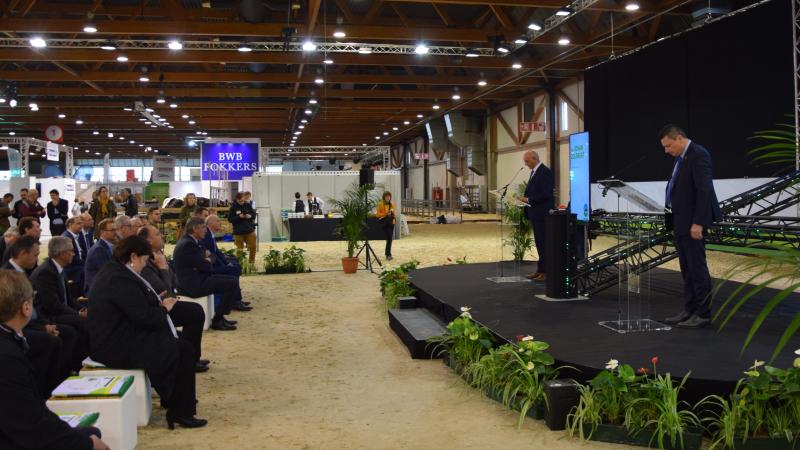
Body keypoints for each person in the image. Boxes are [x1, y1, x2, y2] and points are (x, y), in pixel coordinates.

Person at [87, 235, 207, 429]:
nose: (144, 265)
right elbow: (143, 316)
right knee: (181, 349)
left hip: (121, 333)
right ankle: (181, 411)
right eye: (143, 260)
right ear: (133, 256)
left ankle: (176, 401)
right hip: (113, 344)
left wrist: (155, 301)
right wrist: (164, 308)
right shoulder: (117, 278)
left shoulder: (116, 271)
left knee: (180, 344)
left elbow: (134, 307)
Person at [0, 270, 110, 450]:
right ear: (26, 307)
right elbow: (30, 426)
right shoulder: (8, 356)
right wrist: (87, 444)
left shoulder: (10, 345)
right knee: (92, 435)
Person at [659, 125, 721, 329]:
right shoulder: (681, 157)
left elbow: (704, 191)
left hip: (693, 223)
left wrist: (698, 222)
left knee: (697, 267)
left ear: (678, 138)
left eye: (668, 146)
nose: (666, 151)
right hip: (680, 220)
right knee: (686, 269)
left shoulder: (698, 154)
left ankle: (703, 314)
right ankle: (689, 309)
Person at [4, 236, 81, 395]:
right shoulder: (8, 275)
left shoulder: (22, 271)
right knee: (52, 341)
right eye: (34, 255)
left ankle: (61, 380)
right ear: (23, 254)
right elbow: (12, 314)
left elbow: (32, 309)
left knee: (63, 334)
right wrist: (43, 326)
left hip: (30, 321)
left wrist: (44, 324)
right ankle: (49, 389)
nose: (37, 258)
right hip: (15, 327)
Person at [139, 225, 210, 372]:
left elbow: (173, 282)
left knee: (195, 312)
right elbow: (164, 291)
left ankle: (192, 358)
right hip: (156, 308)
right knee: (194, 312)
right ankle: (190, 359)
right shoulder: (144, 262)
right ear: (149, 241)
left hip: (165, 302)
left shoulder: (157, 255)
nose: (162, 236)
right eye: (158, 234)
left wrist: (164, 268)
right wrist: (163, 269)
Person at [174, 217, 240, 330]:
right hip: (193, 285)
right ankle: (218, 320)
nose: (206, 230)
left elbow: (209, 259)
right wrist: (206, 260)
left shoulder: (192, 241)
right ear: (195, 229)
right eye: (203, 227)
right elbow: (206, 266)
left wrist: (206, 260)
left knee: (232, 280)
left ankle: (220, 317)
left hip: (199, 277)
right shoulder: (188, 244)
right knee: (231, 284)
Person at [517, 150, 555, 282]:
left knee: (544, 243)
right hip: (535, 214)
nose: (526, 164)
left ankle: (547, 271)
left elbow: (546, 194)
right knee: (539, 243)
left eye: (527, 161)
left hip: (543, 214)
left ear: (534, 159)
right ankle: (540, 270)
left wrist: (528, 199)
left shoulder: (545, 172)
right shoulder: (534, 172)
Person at [203, 216, 250, 311]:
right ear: (210, 223)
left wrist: (226, 262)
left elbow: (217, 252)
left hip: (214, 263)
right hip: (211, 267)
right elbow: (213, 255)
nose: (220, 223)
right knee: (234, 269)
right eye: (217, 221)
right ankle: (236, 300)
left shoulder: (210, 234)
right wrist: (225, 264)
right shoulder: (207, 235)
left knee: (234, 264)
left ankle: (236, 299)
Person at [84, 218, 116, 292]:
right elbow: (107, 272)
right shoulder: (99, 249)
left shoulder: (108, 246)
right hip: (96, 290)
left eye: (115, 229)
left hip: (103, 286)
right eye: (112, 230)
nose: (115, 232)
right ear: (102, 232)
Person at [229, 192, 257, 265]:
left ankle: (251, 263)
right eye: (239, 201)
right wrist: (239, 217)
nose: (241, 202)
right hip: (238, 232)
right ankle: (240, 264)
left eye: (242, 200)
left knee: (253, 247)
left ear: (244, 199)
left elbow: (254, 215)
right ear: (236, 199)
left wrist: (250, 216)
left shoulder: (248, 205)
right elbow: (230, 219)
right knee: (239, 250)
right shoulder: (233, 207)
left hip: (249, 230)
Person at [61, 216, 87, 293]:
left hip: (78, 267)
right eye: (78, 223)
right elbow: (71, 259)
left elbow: (82, 252)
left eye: (81, 223)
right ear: (70, 225)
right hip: (72, 271)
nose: (81, 225)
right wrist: (86, 264)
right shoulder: (66, 237)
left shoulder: (76, 235)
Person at [376, 191, 397, 261]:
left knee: (389, 239)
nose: (388, 198)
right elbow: (377, 215)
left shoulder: (392, 204)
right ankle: (388, 254)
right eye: (386, 196)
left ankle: (388, 254)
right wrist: (385, 213)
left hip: (391, 223)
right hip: (385, 223)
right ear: (384, 197)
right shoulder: (381, 204)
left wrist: (392, 214)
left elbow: (394, 214)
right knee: (389, 238)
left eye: (389, 196)